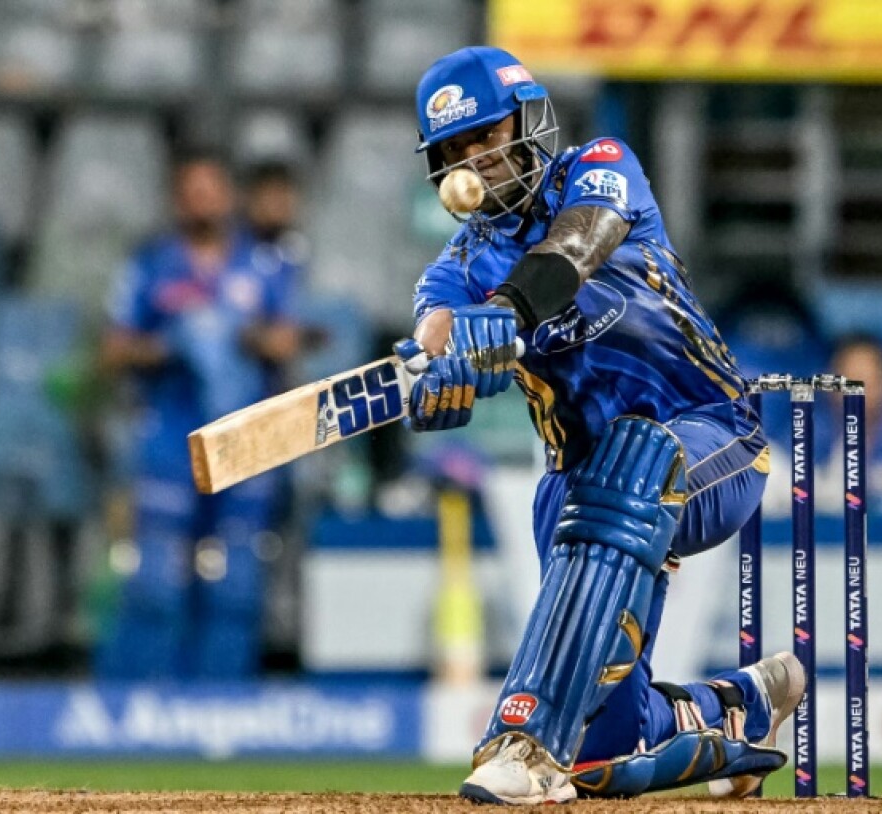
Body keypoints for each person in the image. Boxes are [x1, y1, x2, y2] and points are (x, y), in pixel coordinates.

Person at [396, 46, 804, 805]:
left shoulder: (601, 166)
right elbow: (434, 336)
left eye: (485, 139)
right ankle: (740, 706)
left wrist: (509, 315)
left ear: (525, 125)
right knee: (610, 752)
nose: (475, 164)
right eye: (456, 151)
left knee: (636, 454)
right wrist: (432, 377)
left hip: (714, 441)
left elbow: (576, 246)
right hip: (579, 490)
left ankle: (525, 739)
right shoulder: (453, 272)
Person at [96, 148, 303, 678]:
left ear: (228, 197)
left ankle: (222, 702)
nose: (202, 202)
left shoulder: (261, 264)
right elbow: (114, 349)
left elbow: (286, 340)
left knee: (236, 577)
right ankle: (146, 702)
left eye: (210, 191)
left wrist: (240, 337)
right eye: (191, 193)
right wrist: (170, 345)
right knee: (158, 577)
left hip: (244, 439)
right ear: (177, 199)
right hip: (170, 436)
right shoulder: (151, 264)